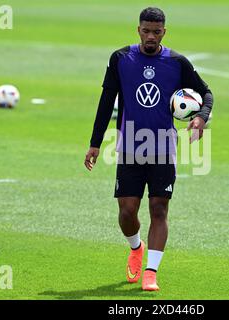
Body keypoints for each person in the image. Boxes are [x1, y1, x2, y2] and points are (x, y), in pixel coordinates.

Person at [84, 7, 213, 291]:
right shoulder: (120, 59)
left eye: (156, 32)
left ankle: (151, 272)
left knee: (159, 208)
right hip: (130, 145)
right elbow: (106, 102)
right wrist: (95, 143)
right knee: (127, 211)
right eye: (146, 31)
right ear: (138, 30)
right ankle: (136, 247)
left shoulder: (177, 63)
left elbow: (206, 93)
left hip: (163, 148)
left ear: (164, 32)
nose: (151, 36)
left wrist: (201, 117)